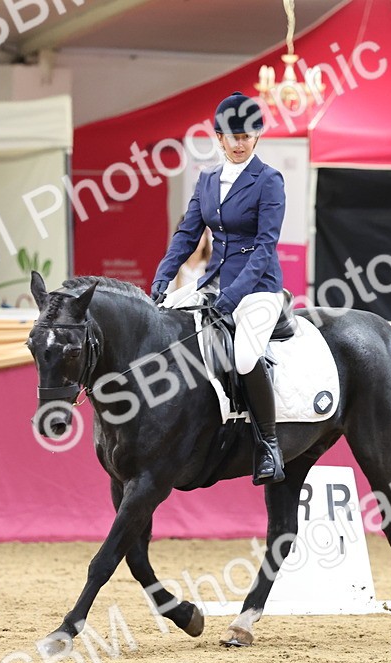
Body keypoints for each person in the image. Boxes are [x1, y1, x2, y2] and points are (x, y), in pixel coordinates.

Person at [150, 91, 287, 485]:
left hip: (259, 288)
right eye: (232, 136)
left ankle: (269, 444)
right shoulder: (207, 180)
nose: (240, 142)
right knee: (164, 322)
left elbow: (265, 247)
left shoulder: (269, 180)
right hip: (213, 282)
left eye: (247, 135)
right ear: (219, 138)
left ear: (257, 137)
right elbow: (187, 233)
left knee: (244, 357)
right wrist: (162, 278)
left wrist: (232, 297)